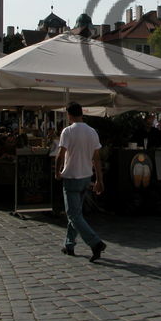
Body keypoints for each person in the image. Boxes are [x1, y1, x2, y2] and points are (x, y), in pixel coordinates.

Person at [54, 102, 106, 262]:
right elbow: (97, 158)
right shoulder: (92, 132)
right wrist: (99, 179)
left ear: (69, 115)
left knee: (73, 214)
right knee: (76, 212)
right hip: (85, 176)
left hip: (71, 177)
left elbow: (61, 154)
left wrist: (57, 171)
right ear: (81, 113)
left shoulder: (68, 131)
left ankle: (95, 242)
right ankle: (69, 244)